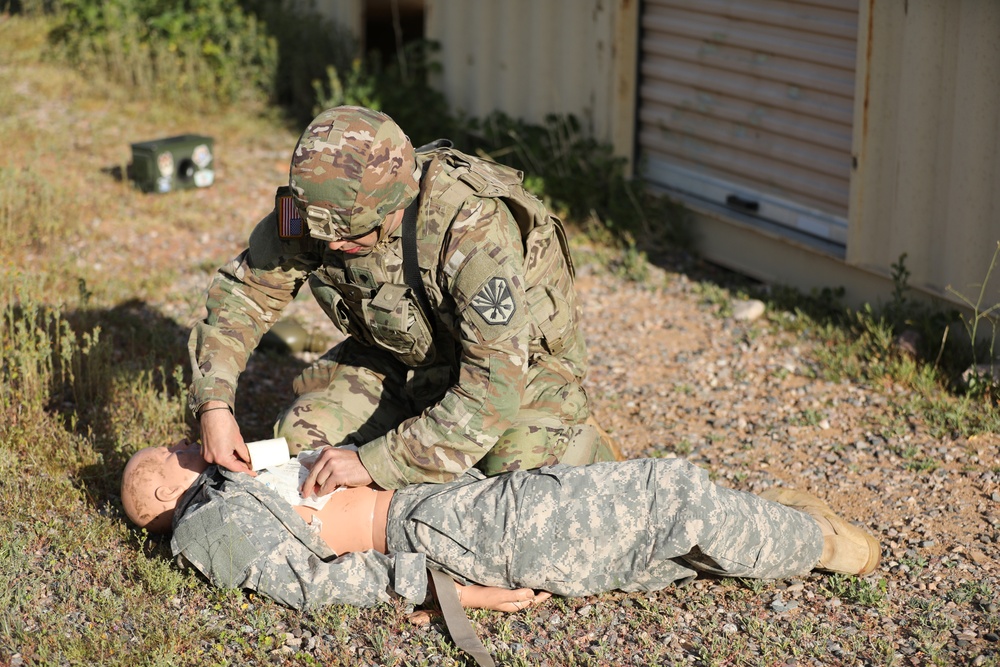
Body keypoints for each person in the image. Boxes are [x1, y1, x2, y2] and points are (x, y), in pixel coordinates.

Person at [189, 105, 618, 493]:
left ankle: (585, 449)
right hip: (402, 357)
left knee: (511, 478)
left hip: (520, 371)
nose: (334, 246)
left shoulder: (471, 229)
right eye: (325, 235)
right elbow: (246, 293)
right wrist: (214, 404)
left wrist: (375, 462)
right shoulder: (320, 211)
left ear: (396, 203)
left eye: (353, 235)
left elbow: (492, 389)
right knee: (303, 446)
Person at [121, 437, 881, 615]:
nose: (185, 441)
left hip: (443, 502)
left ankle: (775, 525)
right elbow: (324, 584)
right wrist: (458, 595)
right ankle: (821, 541)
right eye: (170, 452)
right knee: (663, 496)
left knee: (649, 546)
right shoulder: (210, 523)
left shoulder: (238, 477)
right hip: (444, 532)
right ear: (160, 491)